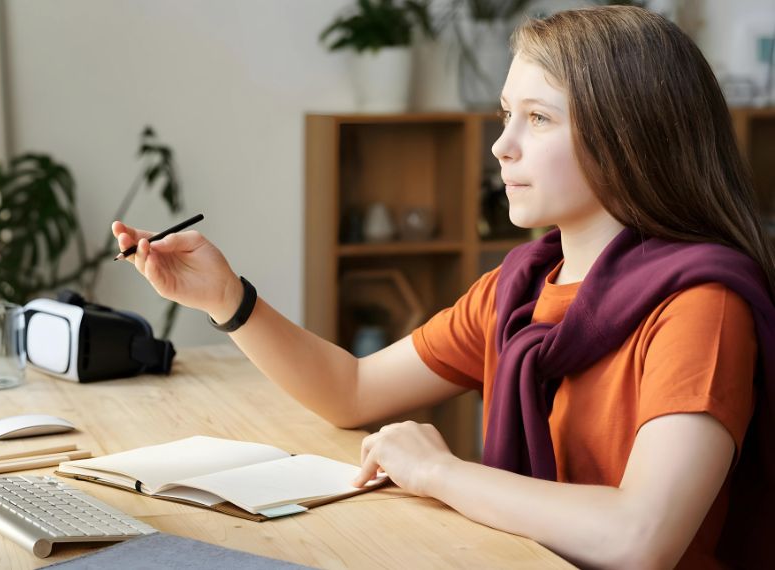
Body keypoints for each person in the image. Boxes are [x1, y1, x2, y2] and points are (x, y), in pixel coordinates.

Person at [112, 6, 774, 569]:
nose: (501, 146)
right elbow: (354, 390)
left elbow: (642, 537)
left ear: (630, 139)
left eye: (538, 119)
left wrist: (440, 471)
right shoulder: (519, 289)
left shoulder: (701, 309)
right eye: (506, 114)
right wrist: (227, 297)